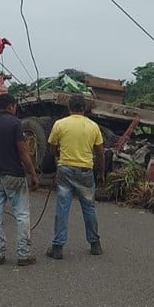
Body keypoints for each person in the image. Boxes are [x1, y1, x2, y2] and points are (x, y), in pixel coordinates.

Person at [0, 93, 39, 266]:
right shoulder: (15, 123)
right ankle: (24, 254)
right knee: (22, 214)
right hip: (15, 175)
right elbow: (23, 151)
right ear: (11, 106)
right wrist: (32, 173)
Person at [45, 94, 105, 260]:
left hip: (65, 170)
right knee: (89, 208)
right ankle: (95, 244)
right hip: (85, 170)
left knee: (62, 208)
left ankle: (58, 247)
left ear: (69, 108)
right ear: (84, 108)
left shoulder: (60, 124)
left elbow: (52, 147)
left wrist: (58, 156)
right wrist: (100, 172)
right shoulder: (93, 126)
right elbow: (100, 153)